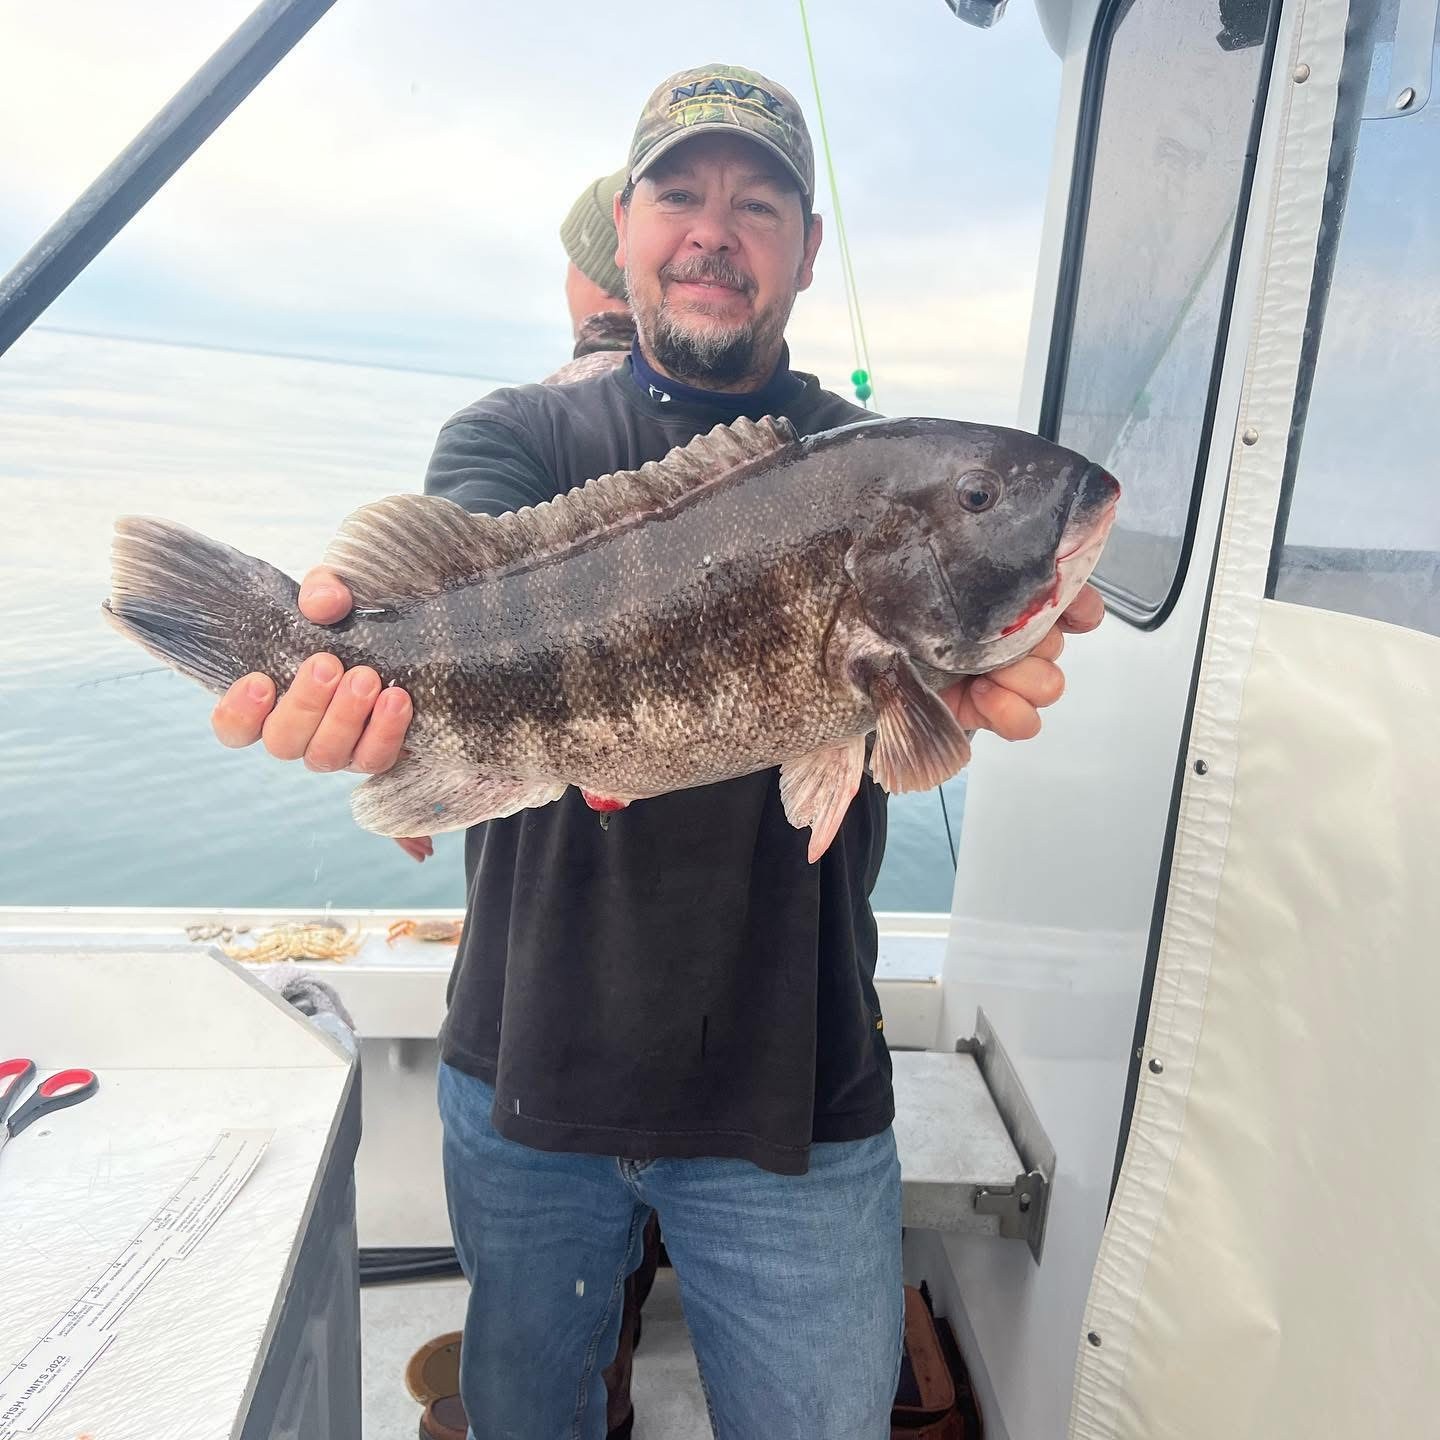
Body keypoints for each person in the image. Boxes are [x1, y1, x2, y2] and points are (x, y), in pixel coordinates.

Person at [210, 63, 1104, 1440]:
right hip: (527, 1076)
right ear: (621, 228)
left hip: (792, 1096)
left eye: (759, 207)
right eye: (680, 195)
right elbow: (441, 592)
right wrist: (349, 694)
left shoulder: (863, 455)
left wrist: (968, 666)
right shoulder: (516, 436)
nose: (713, 232)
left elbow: (919, 711)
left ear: (807, 249)